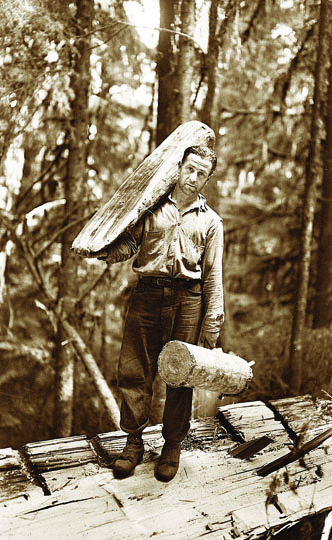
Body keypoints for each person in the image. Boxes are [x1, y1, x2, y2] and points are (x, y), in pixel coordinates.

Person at [98, 145, 224, 482]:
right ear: (179, 167)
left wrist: (213, 322)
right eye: (190, 169)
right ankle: (133, 442)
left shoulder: (211, 222)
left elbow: (213, 275)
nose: (193, 178)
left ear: (207, 179)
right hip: (147, 296)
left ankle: (171, 447)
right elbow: (129, 245)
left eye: (201, 173)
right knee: (134, 370)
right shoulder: (151, 208)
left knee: (180, 375)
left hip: (188, 301)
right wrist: (105, 248)